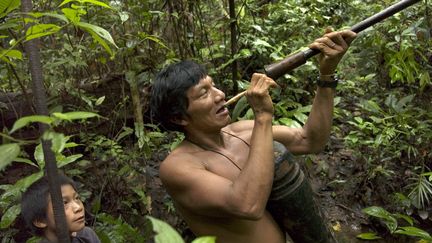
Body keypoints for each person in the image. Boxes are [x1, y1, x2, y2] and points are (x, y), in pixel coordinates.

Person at [150, 28, 356, 243]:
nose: (220, 95)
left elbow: (310, 140)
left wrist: (326, 76)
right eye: (204, 93)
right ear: (179, 118)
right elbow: (247, 204)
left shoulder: (244, 131)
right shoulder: (178, 167)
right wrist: (263, 115)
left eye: (214, 86)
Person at [21, 173, 100, 243]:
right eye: (64, 203)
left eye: (77, 198)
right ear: (40, 221)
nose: (78, 207)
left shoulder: (87, 236)